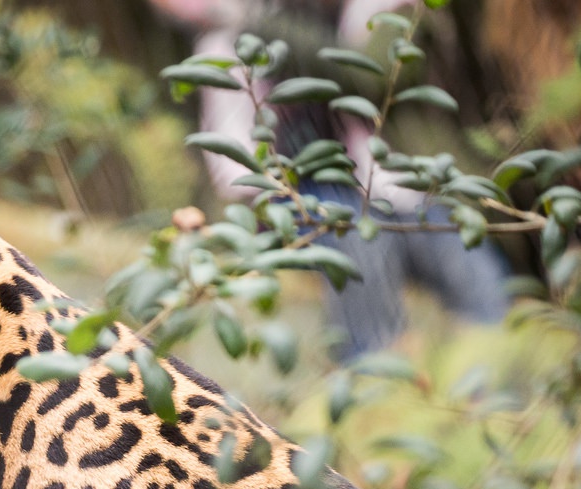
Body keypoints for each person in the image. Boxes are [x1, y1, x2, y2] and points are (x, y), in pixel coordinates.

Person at [150, 0, 513, 358]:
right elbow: (235, 165)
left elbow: (372, 78)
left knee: (479, 282)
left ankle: (498, 382)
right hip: (305, 202)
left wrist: (259, 21)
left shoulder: (376, 14)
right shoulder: (229, 45)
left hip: (397, 191)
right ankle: (374, 373)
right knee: (354, 242)